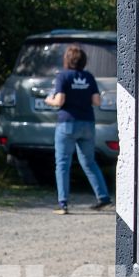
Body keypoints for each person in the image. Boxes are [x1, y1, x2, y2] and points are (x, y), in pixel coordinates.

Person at [46, 44, 112, 214]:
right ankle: (103, 198)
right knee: (89, 162)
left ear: (67, 59)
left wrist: (49, 101)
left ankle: (63, 204)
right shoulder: (89, 77)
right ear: (83, 61)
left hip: (67, 123)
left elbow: (59, 101)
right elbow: (97, 101)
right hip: (87, 124)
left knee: (62, 163)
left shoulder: (63, 76)